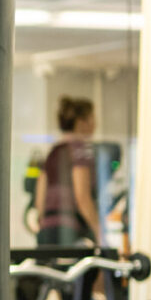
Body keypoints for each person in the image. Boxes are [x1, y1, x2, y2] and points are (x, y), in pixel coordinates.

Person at [35, 96, 103, 247]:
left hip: (47, 230)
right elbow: (82, 197)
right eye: (92, 119)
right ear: (80, 122)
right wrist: (100, 233)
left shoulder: (53, 151)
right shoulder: (80, 150)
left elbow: (40, 200)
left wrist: (42, 225)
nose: (95, 125)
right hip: (70, 232)